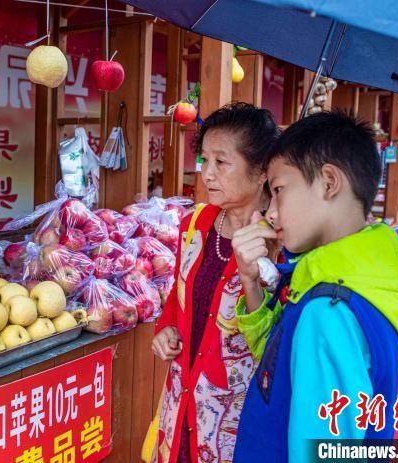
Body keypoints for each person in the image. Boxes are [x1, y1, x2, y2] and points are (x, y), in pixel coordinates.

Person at [231, 111, 398, 462]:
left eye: (278, 190)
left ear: (329, 182)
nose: (270, 213)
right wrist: (251, 282)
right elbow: (280, 371)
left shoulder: (328, 310)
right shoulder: (360, 279)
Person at [149, 102, 279, 463]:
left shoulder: (282, 241)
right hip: (183, 404)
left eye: (221, 162)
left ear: (261, 171)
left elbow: (277, 342)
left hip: (235, 420)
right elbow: (179, 298)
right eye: (204, 160)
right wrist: (166, 328)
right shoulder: (195, 224)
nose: (207, 174)